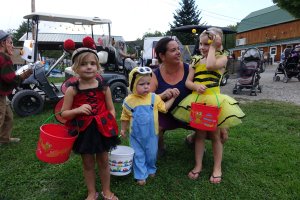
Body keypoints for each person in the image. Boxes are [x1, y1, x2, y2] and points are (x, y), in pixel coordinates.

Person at [171, 27, 245, 183]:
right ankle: (198, 165)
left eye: (206, 44)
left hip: (214, 101)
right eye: (201, 44)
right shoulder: (196, 60)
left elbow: (211, 65)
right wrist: (196, 86)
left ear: (217, 44)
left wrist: (213, 47)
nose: (202, 48)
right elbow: (188, 82)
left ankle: (217, 168)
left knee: (216, 136)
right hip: (198, 100)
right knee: (200, 135)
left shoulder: (223, 58)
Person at [149, 37, 228, 156]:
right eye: (173, 50)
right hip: (166, 114)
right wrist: (163, 95)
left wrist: (220, 124)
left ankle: (192, 139)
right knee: (153, 125)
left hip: (191, 114)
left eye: (178, 49)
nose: (178, 52)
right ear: (162, 55)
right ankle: (160, 145)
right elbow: (147, 99)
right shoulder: (154, 75)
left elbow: (211, 92)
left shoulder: (191, 68)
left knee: (221, 135)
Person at [61, 43, 120, 200]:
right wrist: (77, 110)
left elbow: (111, 109)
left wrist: (110, 120)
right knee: (87, 163)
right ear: (75, 68)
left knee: (104, 161)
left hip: (102, 130)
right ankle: (91, 192)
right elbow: (64, 114)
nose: (89, 67)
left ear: (98, 67)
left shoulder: (104, 88)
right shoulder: (72, 90)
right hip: (84, 131)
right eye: (84, 64)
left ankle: (106, 191)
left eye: (92, 63)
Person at [120, 66, 178, 186]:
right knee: (138, 154)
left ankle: (151, 168)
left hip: (152, 135)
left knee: (151, 154)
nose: (146, 86)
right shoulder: (129, 101)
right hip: (136, 136)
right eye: (141, 84)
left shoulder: (154, 98)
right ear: (133, 84)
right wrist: (123, 129)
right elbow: (125, 117)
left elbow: (164, 108)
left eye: (148, 83)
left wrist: (173, 98)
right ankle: (140, 174)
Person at [0, 30, 32, 145]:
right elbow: (11, 79)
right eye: (10, 43)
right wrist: (25, 74)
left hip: (2, 94)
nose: (12, 46)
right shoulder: (4, 57)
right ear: (3, 43)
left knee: (8, 117)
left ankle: (4, 138)